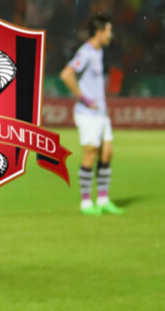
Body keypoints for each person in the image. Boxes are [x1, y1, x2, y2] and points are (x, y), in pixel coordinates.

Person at [60, 15, 123, 216]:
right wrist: (86, 99)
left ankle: (103, 199)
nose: (111, 35)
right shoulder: (86, 52)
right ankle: (86, 202)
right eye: (109, 31)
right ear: (99, 32)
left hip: (100, 113)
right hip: (88, 114)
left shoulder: (98, 52)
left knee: (107, 153)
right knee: (90, 153)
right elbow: (66, 74)